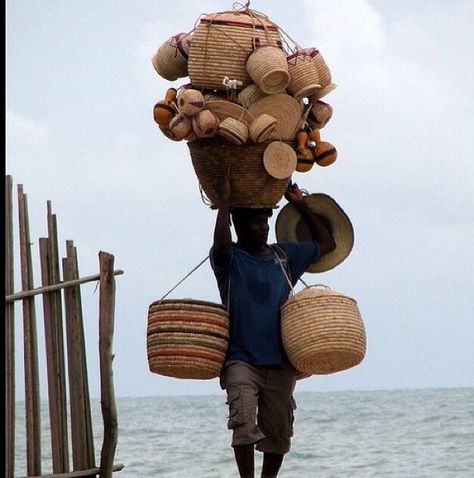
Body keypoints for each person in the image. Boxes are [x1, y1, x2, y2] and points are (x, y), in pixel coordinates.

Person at [210, 177, 336, 478]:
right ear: (239, 227)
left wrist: (299, 203)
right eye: (256, 222)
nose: (264, 227)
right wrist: (224, 205)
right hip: (240, 360)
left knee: (278, 436)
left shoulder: (283, 256)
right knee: (243, 425)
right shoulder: (229, 260)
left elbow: (327, 244)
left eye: (265, 222)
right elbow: (221, 243)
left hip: (280, 363)